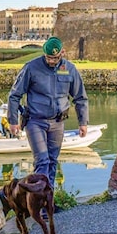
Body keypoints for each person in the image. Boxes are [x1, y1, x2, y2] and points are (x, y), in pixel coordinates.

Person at [7, 36, 89, 189]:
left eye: (55, 58)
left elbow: (80, 98)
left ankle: (47, 201)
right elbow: (14, 95)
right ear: (44, 54)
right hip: (35, 121)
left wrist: (83, 123)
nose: (51, 61)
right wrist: (12, 121)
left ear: (62, 53)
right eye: (49, 57)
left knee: (52, 161)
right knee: (42, 161)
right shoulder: (31, 68)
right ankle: (39, 204)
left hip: (58, 123)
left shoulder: (70, 69)